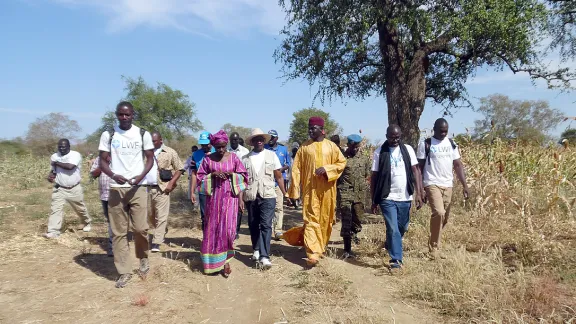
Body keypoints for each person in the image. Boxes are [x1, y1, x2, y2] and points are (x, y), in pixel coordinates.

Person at [98, 101, 155, 288]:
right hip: (116, 187)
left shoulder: (142, 134)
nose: (124, 118)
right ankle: (124, 271)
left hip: (137, 187)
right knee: (118, 232)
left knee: (140, 229)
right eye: (121, 115)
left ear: (133, 115)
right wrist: (113, 174)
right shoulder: (109, 134)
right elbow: (102, 161)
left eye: (127, 114)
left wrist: (141, 176)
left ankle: (143, 258)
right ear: (116, 115)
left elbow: (149, 158)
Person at [285, 117, 346, 266]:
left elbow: (341, 163)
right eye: (309, 128)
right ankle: (312, 253)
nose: (310, 131)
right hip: (310, 191)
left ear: (322, 130)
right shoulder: (304, 148)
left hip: (327, 191)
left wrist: (327, 169)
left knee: (325, 220)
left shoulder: (332, 147)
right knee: (311, 220)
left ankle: (321, 247)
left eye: (313, 128)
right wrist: (294, 192)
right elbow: (296, 170)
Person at [371, 125, 423, 272]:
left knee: (402, 227)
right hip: (387, 197)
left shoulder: (408, 149)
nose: (395, 140)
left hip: (405, 196)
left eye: (397, 137)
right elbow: (374, 177)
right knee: (393, 228)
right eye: (392, 137)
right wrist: (374, 199)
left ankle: (390, 243)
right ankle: (396, 260)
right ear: (386, 135)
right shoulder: (380, 152)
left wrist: (419, 193)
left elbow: (416, 171)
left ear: (401, 135)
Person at [196, 130, 248, 277]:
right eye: (218, 147)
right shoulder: (208, 159)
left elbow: (244, 177)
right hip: (214, 201)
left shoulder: (234, 158)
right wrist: (212, 175)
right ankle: (212, 263)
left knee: (228, 231)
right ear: (213, 145)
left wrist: (231, 175)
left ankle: (226, 261)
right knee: (213, 230)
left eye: (223, 146)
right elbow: (200, 178)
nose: (221, 150)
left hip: (230, 199)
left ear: (226, 145)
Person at [417, 118, 469, 260]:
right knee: (439, 212)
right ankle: (435, 248)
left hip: (448, 184)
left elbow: (457, 165)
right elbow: (419, 168)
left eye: (445, 131)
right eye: (441, 131)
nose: (443, 133)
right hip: (431, 183)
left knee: (445, 218)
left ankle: (434, 239)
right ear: (434, 129)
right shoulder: (426, 144)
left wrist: (465, 185)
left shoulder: (452, 144)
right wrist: (420, 189)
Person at [242, 129, 286, 270]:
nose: (259, 141)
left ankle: (265, 256)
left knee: (266, 225)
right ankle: (256, 248)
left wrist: (285, 194)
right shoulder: (245, 159)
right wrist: (240, 199)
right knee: (253, 224)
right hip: (251, 196)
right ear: (252, 142)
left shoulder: (272, 156)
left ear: (264, 141)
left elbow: (278, 176)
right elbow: (242, 181)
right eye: (256, 139)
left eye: (261, 139)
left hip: (268, 195)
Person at [145, 132, 185, 253]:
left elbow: (180, 168)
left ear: (160, 141)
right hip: (146, 188)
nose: (152, 143)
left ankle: (156, 242)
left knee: (161, 216)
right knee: (150, 215)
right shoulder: (145, 152)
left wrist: (171, 183)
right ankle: (163, 230)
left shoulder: (169, 152)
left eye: (154, 141)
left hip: (162, 188)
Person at [43, 139, 92, 239]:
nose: (62, 148)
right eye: (60, 147)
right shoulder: (54, 156)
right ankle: (53, 232)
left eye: (64, 147)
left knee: (80, 209)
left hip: (74, 188)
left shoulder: (75, 155)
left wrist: (56, 163)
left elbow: (70, 166)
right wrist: (50, 176)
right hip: (59, 188)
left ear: (69, 146)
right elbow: (53, 171)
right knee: (55, 209)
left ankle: (86, 222)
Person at [337, 134, 371, 259]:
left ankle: (354, 233)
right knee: (346, 219)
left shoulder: (364, 159)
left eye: (357, 146)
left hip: (360, 193)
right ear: (349, 145)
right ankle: (347, 249)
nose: (356, 149)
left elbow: (367, 174)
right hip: (345, 192)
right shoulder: (341, 158)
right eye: (353, 146)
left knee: (357, 218)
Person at [264, 130, 291, 240]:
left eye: (273, 137)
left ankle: (278, 230)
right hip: (267, 182)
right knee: (268, 207)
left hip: (279, 183)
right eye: (269, 137)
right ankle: (268, 228)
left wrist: (280, 169)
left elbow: (288, 164)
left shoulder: (283, 149)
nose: (271, 139)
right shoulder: (264, 149)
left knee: (279, 207)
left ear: (277, 138)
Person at [190, 131, 215, 230]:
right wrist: (192, 192)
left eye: (207, 144)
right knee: (205, 216)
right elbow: (194, 174)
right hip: (203, 189)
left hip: (217, 188)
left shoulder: (218, 151)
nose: (205, 146)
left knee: (216, 215)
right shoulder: (196, 155)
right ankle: (206, 240)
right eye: (202, 144)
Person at [90, 155, 113, 256]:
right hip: (105, 195)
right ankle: (113, 246)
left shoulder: (122, 155)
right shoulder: (100, 158)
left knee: (118, 221)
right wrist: (104, 165)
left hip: (120, 193)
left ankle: (114, 246)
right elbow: (93, 174)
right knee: (110, 221)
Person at [228, 132, 250, 240]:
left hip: (240, 181)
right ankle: (229, 229)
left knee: (239, 207)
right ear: (230, 140)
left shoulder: (245, 152)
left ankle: (236, 230)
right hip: (227, 182)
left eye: (236, 140)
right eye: (232, 140)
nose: (234, 142)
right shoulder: (226, 151)